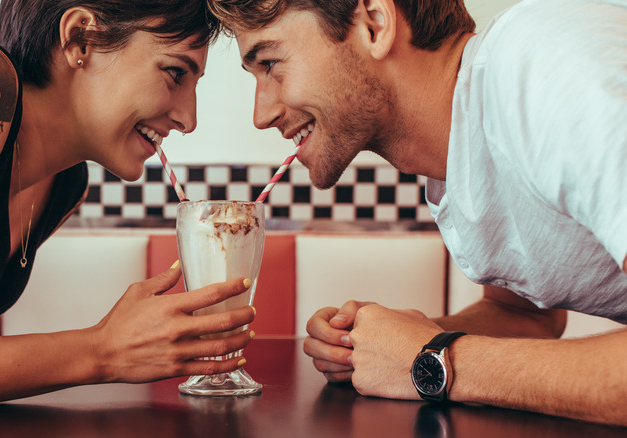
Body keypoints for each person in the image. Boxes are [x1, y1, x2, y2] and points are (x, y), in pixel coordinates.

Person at [207, 0, 627, 427]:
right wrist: (381, 347)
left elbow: (447, 359)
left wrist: (432, 360)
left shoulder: (546, 66)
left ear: (374, 24)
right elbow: (527, 317)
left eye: (271, 63)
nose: (262, 114)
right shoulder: (455, 157)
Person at [0, 0, 257, 414]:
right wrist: (102, 351)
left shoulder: (65, 185)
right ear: (81, 38)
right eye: (175, 73)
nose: (189, 118)